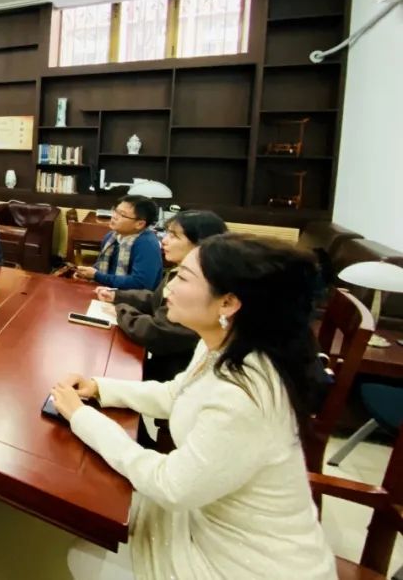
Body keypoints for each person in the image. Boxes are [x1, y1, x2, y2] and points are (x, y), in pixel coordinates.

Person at [52, 235, 336, 580]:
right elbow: (177, 394)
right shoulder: (222, 345)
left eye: (183, 278)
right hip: (200, 518)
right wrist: (100, 388)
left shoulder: (244, 394)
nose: (169, 287)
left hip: (243, 562)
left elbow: (171, 486)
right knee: (94, 519)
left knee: (86, 553)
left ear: (228, 303)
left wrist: (82, 418)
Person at [95, 210, 228, 382]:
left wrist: (120, 311)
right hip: (164, 366)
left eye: (174, 236)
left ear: (201, 243)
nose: (164, 240)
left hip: (174, 374)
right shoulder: (180, 270)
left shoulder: (204, 284)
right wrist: (118, 296)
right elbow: (156, 299)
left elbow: (158, 332)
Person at [75, 195, 163, 291]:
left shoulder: (147, 244)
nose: (114, 216)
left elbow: (141, 284)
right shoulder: (111, 237)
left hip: (131, 298)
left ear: (140, 224)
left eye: (122, 215)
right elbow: (102, 266)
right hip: (106, 292)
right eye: (115, 211)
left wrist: (97, 276)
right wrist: (86, 273)